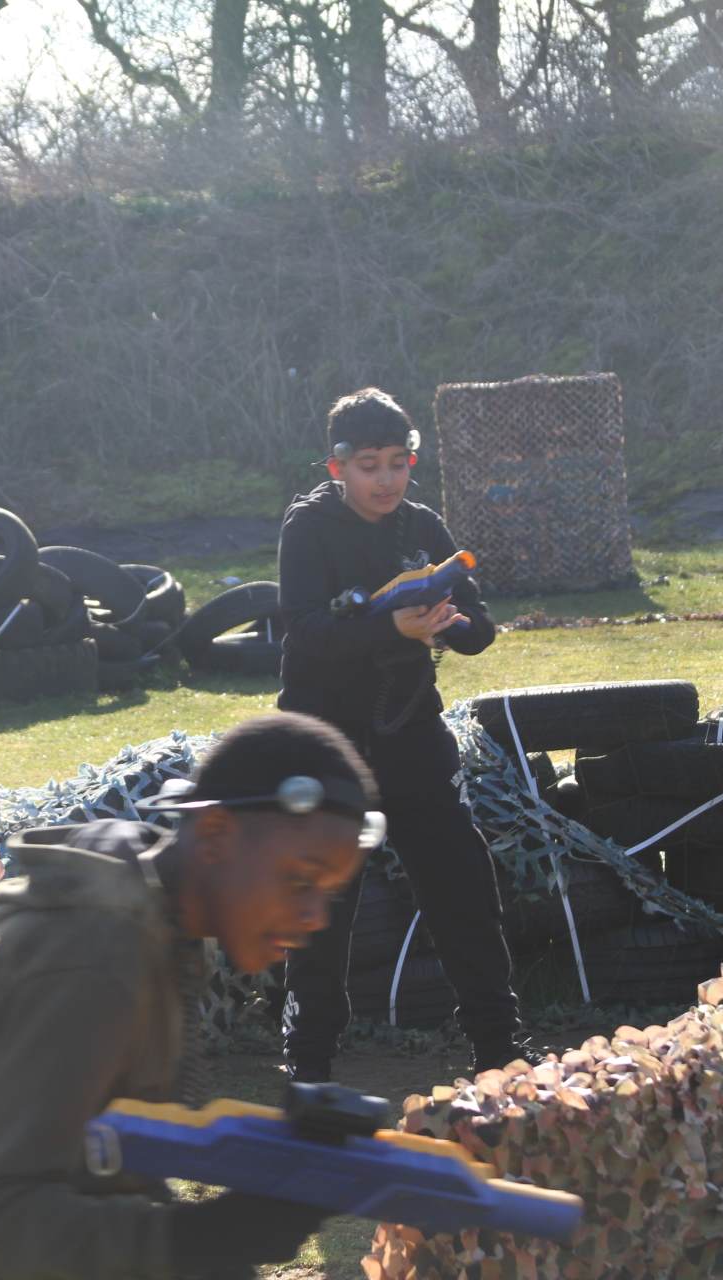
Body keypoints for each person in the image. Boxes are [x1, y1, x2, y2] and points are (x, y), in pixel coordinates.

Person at [0, 711, 381, 1280]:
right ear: (216, 835)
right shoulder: (92, 957)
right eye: (300, 880)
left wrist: (274, 1178)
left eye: (329, 893)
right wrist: (213, 1234)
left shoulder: (167, 928)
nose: (316, 916)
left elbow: (112, 1163)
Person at [275, 387, 519, 1083]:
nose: (386, 480)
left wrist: (451, 624)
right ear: (337, 468)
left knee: (463, 886)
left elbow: (481, 627)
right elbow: (305, 632)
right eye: (369, 466)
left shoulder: (423, 525)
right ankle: (309, 1067)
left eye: (398, 464)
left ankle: (500, 1051)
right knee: (323, 904)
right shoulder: (308, 528)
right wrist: (391, 627)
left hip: (410, 730)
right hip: (325, 741)